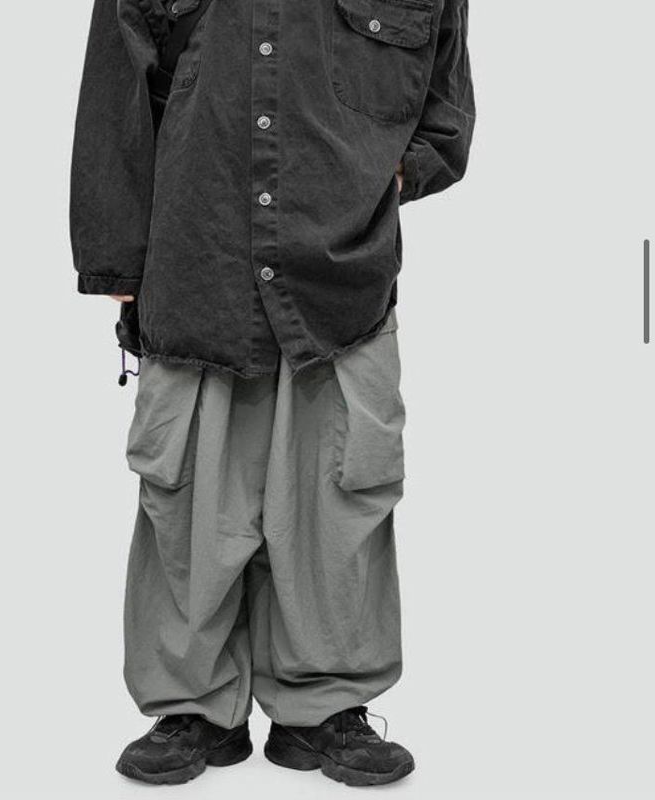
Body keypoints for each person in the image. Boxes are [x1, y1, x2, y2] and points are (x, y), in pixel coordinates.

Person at [70, 0, 474, 787]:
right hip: (194, 265)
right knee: (190, 504)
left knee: (339, 503)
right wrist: (115, 263)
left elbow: (444, 111)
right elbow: (113, 91)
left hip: (344, 290)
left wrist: (375, 180)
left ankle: (323, 709)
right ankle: (191, 709)